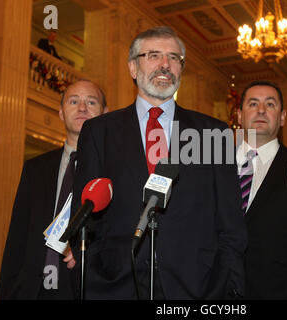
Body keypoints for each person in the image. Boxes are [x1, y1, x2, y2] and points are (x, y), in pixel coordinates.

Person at [69, 26, 247, 299]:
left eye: (174, 58)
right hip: (116, 286)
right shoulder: (99, 132)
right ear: (132, 67)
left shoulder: (214, 133)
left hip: (197, 288)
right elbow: (86, 218)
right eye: (154, 55)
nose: (165, 64)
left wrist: (229, 287)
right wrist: (95, 278)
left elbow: (230, 225)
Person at [0, 80, 108, 299]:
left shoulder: (114, 170)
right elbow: (17, 240)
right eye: (73, 101)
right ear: (60, 112)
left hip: (85, 290)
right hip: (32, 290)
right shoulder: (35, 168)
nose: (82, 108)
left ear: (105, 113)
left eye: (91, 102)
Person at [237, 80, 287, 299]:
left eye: (270, 104)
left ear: (282, 117)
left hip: (280, 292)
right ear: (239, 115)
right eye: (253, 104)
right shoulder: (212, 166)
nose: (261, 110)